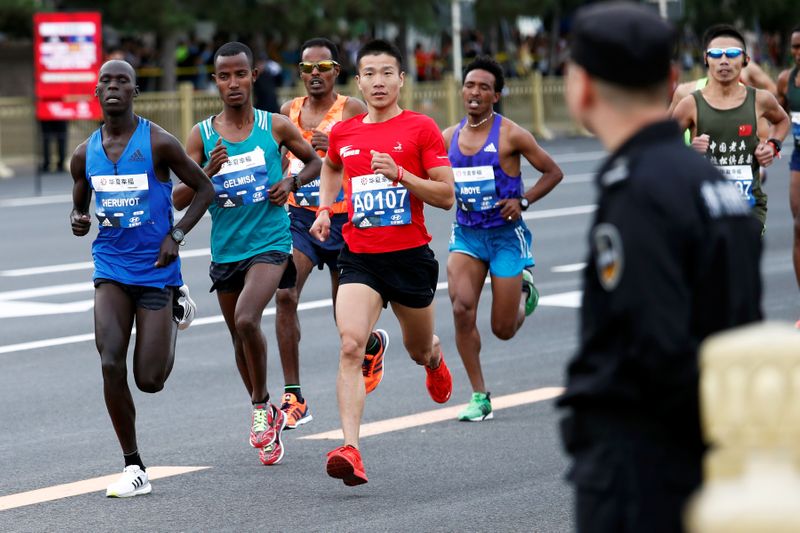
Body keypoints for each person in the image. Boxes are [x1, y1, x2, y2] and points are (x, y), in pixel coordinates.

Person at [558, 4, 762, 532]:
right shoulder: (710, 183)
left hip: (642, 472)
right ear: (672, 80)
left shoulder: (637, 190)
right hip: (708, 456)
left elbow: (652, 347)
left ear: (583, 88)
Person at [309, 39, 455, 486]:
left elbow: (447, 195)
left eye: (387, 72)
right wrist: (323, 208)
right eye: (369, 73)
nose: (378, 81)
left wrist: (403, 175)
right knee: (350, 345)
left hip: (409, 258)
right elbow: (332, 166)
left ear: (401, 79)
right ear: (359, 81)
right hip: (360, 257)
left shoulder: (421, 129)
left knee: (417, 347)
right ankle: (351, 449)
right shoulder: (345, 133)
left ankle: (432, 358)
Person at [173, 42, 322, 466]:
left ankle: (261, 411)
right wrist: (207, 172)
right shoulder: (202, 135)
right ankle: (264, 409)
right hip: (227, 250)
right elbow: (181, 198)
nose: (233, 83)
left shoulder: (274, 126)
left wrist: (291, 185)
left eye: (241, 74)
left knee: (246, 317)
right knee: (238, 336)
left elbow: (314, 162)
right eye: (225, 76)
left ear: (253, 76)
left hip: (271, 244)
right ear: (215, 80)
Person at [69, 60, 214, 497]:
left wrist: (177, 233)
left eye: (123, 82)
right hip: (110, 270)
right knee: (110, 362)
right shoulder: (84, 154)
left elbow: (204, 189)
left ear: (135, 92)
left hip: (156, 272)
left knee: (149, 380)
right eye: (106, 82)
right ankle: (134, 466)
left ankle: (177, 301)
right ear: (97, 92)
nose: (113, 88)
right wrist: (78, 219)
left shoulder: (158, 143)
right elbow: (79, 206)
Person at [274, 37, 389, 430]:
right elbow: (277, 160)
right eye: (307, 69)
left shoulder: (352, 109)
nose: (315, 75)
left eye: (323, 68)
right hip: (301, 220)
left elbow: (370, 158)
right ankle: (294, 396)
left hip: (344, 220)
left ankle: (372, 344)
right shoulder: (287, 113)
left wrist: (333, 148)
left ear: (336, 71)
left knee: (347, 321)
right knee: (285, 293)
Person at [442, 55, 563, 422]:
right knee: (462, 309)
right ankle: (480, 395)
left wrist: (522, 200)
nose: (475, 92)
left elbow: (553, 172)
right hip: (467, 235)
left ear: (496, 95)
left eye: (484, 87)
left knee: (503, 330)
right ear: (462, 91)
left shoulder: (511, 134)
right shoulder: (447, 137)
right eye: (470, 85)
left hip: (506, 237)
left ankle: (525, 290)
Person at [673, 24, 789, 232]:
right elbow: (663, 148)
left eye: (732, 53)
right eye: (716, 54)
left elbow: (782, 121)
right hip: (705, 206)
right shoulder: (689, 104)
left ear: (746, 60)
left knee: (742, 263)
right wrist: (689, 151)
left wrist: (772, 145)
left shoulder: (761, 100)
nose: (724, 60)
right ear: (706, 59)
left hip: (749, 206)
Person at [776, 26, 800, 328]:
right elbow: (778, 116)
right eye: (795, 47)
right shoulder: (786, 79)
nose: (798, 52)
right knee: (798, 225)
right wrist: (770, 141)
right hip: (799, 157)